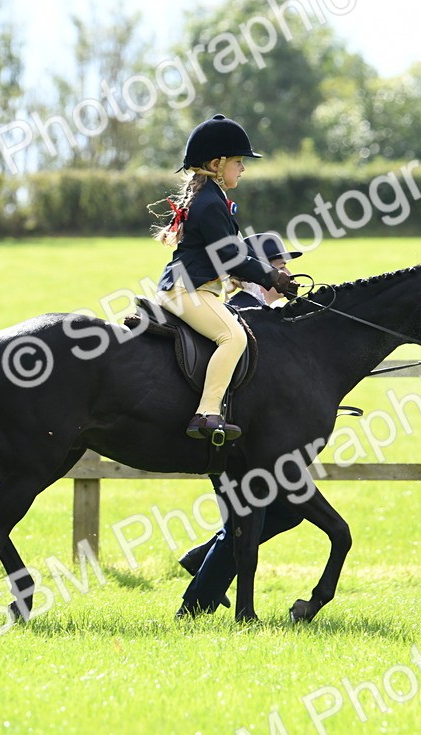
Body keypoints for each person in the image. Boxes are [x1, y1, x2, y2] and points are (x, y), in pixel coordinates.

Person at [177, 232, 306, 616]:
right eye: (280, 266)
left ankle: (202, 562)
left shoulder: (264, 318)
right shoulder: (246, 317)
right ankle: (196, 603)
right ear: (253, 274)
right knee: (251, 520)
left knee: (281, 512)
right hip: (232, 441)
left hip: (244, 438)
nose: (288, 274)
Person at [153, 115, 297, 442]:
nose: (242, 168)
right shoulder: (210, 201)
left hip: (192, 287)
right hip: (186, 288)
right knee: (234, 337)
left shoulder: (210, 196)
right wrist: (274, 277)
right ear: (217, 164)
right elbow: (230, 256)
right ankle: (206, 414)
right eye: (237, 161)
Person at [226, 232, 303, 309]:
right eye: (281, 268)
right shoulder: (241, 310)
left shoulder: (276, 307)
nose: (289, 273)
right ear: (257, 271)